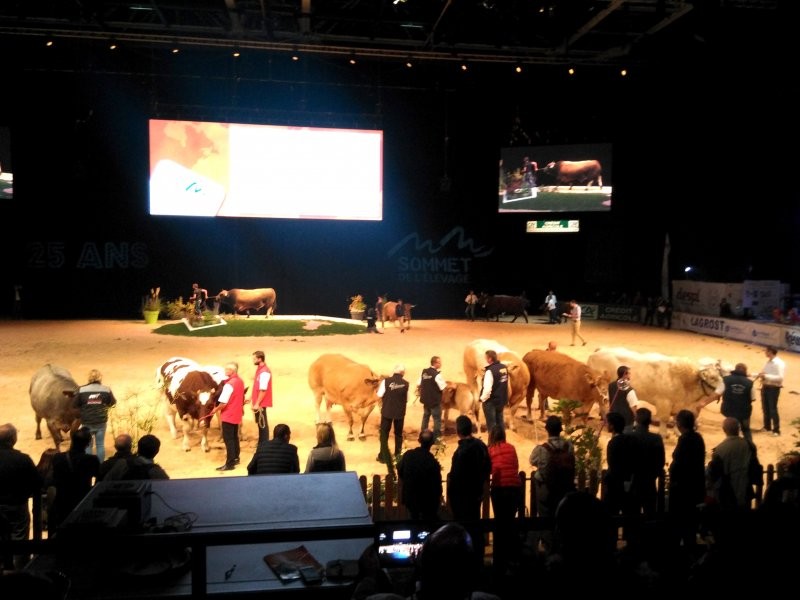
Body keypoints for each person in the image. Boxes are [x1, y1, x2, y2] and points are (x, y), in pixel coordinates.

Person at [447, 415, 491, 568]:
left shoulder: (461, 452)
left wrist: (451, 499)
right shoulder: (481, 446)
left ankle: (466, 562)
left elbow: (455, 478)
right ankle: (477, 559)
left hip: (462, 497)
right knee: (475, 524)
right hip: (476, 493)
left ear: (458, 431)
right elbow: (488, 467)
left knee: (464, 529)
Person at [0, 423, 43, 571]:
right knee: (19, 541)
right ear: (13, 439)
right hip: (17, 505)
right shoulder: (22, 459)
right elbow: (37, 483)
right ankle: (19, 575)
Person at [47, 426, 100, 530]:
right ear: (88, 443)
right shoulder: (92, 460)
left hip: (62, 501)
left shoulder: (58, 457)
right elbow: (99, 480)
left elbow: (54, 477)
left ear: (72, 440)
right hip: (82, 500)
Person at [668, 409, 706, 551]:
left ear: (680, 424)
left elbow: (678, 460)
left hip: (683, 489)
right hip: (696, 486)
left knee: (679, 526)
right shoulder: (698, 438)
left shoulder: (685, 439)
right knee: (690, 527)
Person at [487, 425, 522, 576]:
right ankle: (512, 560)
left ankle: (499, 561)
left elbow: (489, 470)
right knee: (509, 522)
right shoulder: (512, 448)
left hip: (499, 488)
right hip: (514, 488)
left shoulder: (490, 450)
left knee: (500, 523)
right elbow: (515, 466)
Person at [529, 415, 576, 520]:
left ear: (547, 429)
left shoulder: (542, 449)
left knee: (545, 519)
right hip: (565, 488)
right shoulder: (569, 446)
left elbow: (532, 460)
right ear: (560, 429)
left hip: (548, 490)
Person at [707, 417, 756, 512]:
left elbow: (715, 475)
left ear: (724, 430)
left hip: (728, 493)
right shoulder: (749, 445)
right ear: (739, 429)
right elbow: (754, 467)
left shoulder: (720, 450)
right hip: (746, 490)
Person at [396, 429, 442, 523]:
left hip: (410, 501)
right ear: (432, 443)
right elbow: (437, 487)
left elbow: (400, 470)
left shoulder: (408, 456)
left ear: (419, 440)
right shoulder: (433, 463)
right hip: (426, 503)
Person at [73, 368, 117, 463]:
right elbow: (113, 403)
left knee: (88, 445)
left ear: (89, 378)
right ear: (100, 378)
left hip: (86, 422)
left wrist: (84, 409)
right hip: (101, 421)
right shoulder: (106, 389)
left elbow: (74, 405)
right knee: (100, 445)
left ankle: (88, 465)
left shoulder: (81, 390)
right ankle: (100, 465)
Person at [629, 407, 665, 519]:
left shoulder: (630, 437)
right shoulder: (656, 439)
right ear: (650, 421)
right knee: (650, 515)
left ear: (636, 419)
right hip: (650, 481)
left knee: (633, 516)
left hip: (633, 481)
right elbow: (661, 461)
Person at [601, 411, 636, 519]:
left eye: (607, 423)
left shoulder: (613, 443)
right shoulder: (630, 440)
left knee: (610, 517)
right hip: (629, 482)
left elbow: (612, 465)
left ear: (612, 425)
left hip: (615, 485)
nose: (606, 425)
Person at [376, 364, 410, 472]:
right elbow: (407, 399)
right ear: (403, 373)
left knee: (384, 434)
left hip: (387, 412)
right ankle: (398, 456)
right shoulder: (406, 384)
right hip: (400, 413)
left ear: (393, 371)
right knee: (398, 435)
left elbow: (380, 395)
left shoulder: (385, 381)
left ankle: (383, 456)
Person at [215, 361, 245, 472]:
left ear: (232, 371)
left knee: (229, 440)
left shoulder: (229, 384)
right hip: (236, 414)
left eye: (227, 369)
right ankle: (236, 458)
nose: (225, 371)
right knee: (235, 437)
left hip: (228, 415)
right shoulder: (240, 381)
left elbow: (223, 402)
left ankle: (230, 463)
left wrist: (215, 409)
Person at [720, 362, 756, 444]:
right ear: (745, 371)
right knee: (746, 430)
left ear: (735, 369)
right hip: (744, 412)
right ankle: (750, 447)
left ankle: (731, 445)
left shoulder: (726, 379)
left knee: (731, 431)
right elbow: (753, 398)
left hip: (729, 411)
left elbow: (719, 392)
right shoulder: (750, 383)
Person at [757, 345, 785, 436]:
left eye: (766, 351)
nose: (765, 352)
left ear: (770, 351)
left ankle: (776, 430)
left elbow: (780, 378)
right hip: (765, 386)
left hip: (773, 388)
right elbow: (764, 373)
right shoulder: (768, 362)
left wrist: (766, 376)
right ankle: (767, 426)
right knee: (765, 408)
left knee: (773, 409)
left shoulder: (779, 363)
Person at [417, 356, 446, 440]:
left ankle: (422, 437)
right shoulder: (437, 375)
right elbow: (443, 387)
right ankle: (436, 438)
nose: (440, 364)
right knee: (437, 419)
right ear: (435, 363)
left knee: (425, 417)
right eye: (439, 362)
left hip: (425, 400)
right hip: (434, 401)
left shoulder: (424, 372)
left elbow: (418, 383)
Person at [479, 350, 508, 433]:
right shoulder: (503, 367)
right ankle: (502, 442)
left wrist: (482, 399)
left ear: (490, 359)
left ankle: (493, 444)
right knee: (500, 422)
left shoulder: (490, 371)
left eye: (486, 358)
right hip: (501, 400)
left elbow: (487, 389)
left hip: (491, 402)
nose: (485, 359)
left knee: (492, 425)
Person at [607, 365, 640, 433]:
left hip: (614, 420)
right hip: (626, 422)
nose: (630, 376)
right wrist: (638, 419)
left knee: (616, 440)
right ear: (625, 374)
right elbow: (633, 407)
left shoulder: (610, 385)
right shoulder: (629, 390)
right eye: (629, 373)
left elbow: (609, 400)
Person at [251, 350, 272, 446]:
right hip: (258, 401)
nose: (253, 360)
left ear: (260, 359)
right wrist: (250, 397)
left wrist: (257, 403)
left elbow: (263, 389)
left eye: (254, 359)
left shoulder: (264, 372)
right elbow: (256, 386)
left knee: (262, 423)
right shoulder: (260, 370)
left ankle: (264, 443)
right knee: (260, 423)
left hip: (261, 403)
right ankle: (261, 442)